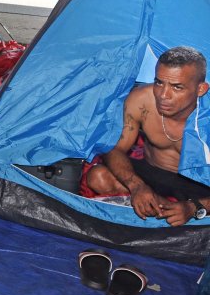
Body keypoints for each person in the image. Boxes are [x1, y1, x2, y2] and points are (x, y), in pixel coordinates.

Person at [86, 46, 210, 227]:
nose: (163, 95)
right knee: (97, 177)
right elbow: (114, 148)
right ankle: (160, 203)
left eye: (177, 87)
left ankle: (165, 207)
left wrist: (195, 207)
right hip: (154, 173)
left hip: (199, 185)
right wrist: (137, 186)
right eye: (159, 82)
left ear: (201, 89)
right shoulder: (142, 100)